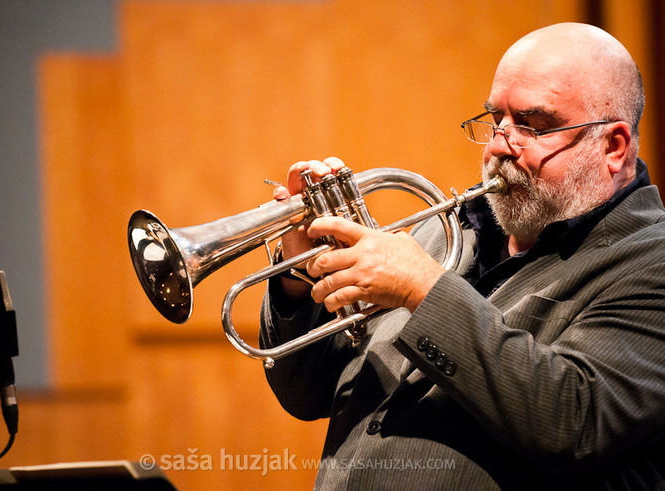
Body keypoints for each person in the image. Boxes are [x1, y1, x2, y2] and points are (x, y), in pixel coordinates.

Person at [259, 23, 665, 489]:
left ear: (613, 146)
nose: (497, 146)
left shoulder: (650, 262)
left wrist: (424, 291)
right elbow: (305, 394)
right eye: (496, 121)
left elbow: (573, 421)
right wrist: (299, 281)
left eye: (534, 126)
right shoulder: (447, 231)